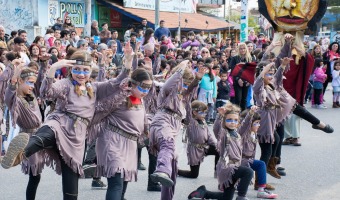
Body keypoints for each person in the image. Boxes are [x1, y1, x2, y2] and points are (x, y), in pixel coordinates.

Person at [1, 49, 131, 199]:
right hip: (60, 122)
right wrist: (53, 68)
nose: (81, 74)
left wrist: (127, 62)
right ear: (70, 69)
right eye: (76, 69)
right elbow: (47, 93)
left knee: (71, 188)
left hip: (77, 137)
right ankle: (19, 154)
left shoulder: (95, 88)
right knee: (47, 133)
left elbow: (116, 82)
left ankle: (21, 154)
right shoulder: (66, 83)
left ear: (90, 71)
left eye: (85, 70)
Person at [149, 60, 204, 200]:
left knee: (173, 166)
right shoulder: (167, 91)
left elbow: (190, 89)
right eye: (183, 83)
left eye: (187, 83)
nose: (184, 87)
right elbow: (171, 82)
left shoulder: (183, 97)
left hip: (173, 127)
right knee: (167, 146)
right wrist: (181, 68)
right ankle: (161, 170)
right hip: (162, 122)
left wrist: (197, 79)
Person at [188, 102, 253, 200]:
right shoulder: (223, 134)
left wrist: (250, 113)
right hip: (227, 167)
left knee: (226, 198)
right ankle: (241, 196)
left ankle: (204, 193)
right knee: (248, 172)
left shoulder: (238, 134)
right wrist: (220, 115)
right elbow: (217, 129)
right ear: (224, 121)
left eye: (235, 120)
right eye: (229, 119)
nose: (232, 122)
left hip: (235, 166)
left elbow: (245, 126)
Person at [5, 64, 47, 200]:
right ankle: (13, 156)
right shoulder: (16, 100)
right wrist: (14, 78)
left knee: (36, 175)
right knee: (34, 175)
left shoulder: (32, 94)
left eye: (33, 83)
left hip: (41, 134)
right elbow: (8, 96)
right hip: (28, 137)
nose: (32, 86)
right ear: (21, 82)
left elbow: (42, 82)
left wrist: (44, 65)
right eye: (29, 82)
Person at [239, 108, 278, 199]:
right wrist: (250, 114)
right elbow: (245, 125)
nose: (258, 125)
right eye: (255, 123)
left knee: (261, 164)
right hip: (240, 161)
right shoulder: (242, 133)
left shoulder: (254, 133)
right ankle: (234, 184)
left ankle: (261, 190)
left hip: (248, 160)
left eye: (259, 123)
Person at [178, 101, 218, 179]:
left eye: (205, 112)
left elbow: (209, 135)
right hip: (194, 150)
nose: (204, 114)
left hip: (204, 147)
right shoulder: (190, 121)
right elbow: (187, 110)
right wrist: (189, 96)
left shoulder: (203, 121)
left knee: (218, 150)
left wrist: (215, 144)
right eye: (202, 112)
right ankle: (176, 171)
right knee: (194, 175)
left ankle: (217, 172)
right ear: (194, 112)